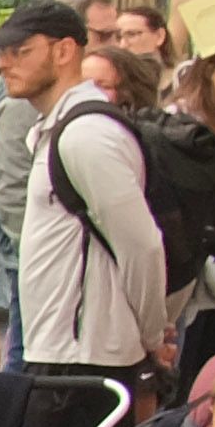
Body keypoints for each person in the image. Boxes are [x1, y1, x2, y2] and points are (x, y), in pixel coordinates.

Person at [17, 36, 183, 380]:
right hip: (58, 341)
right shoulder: (56, 130)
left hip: (86, 352)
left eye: (100, 85)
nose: (86, 92)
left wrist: (152, 333)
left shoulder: (91, 137)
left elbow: (142, 245)